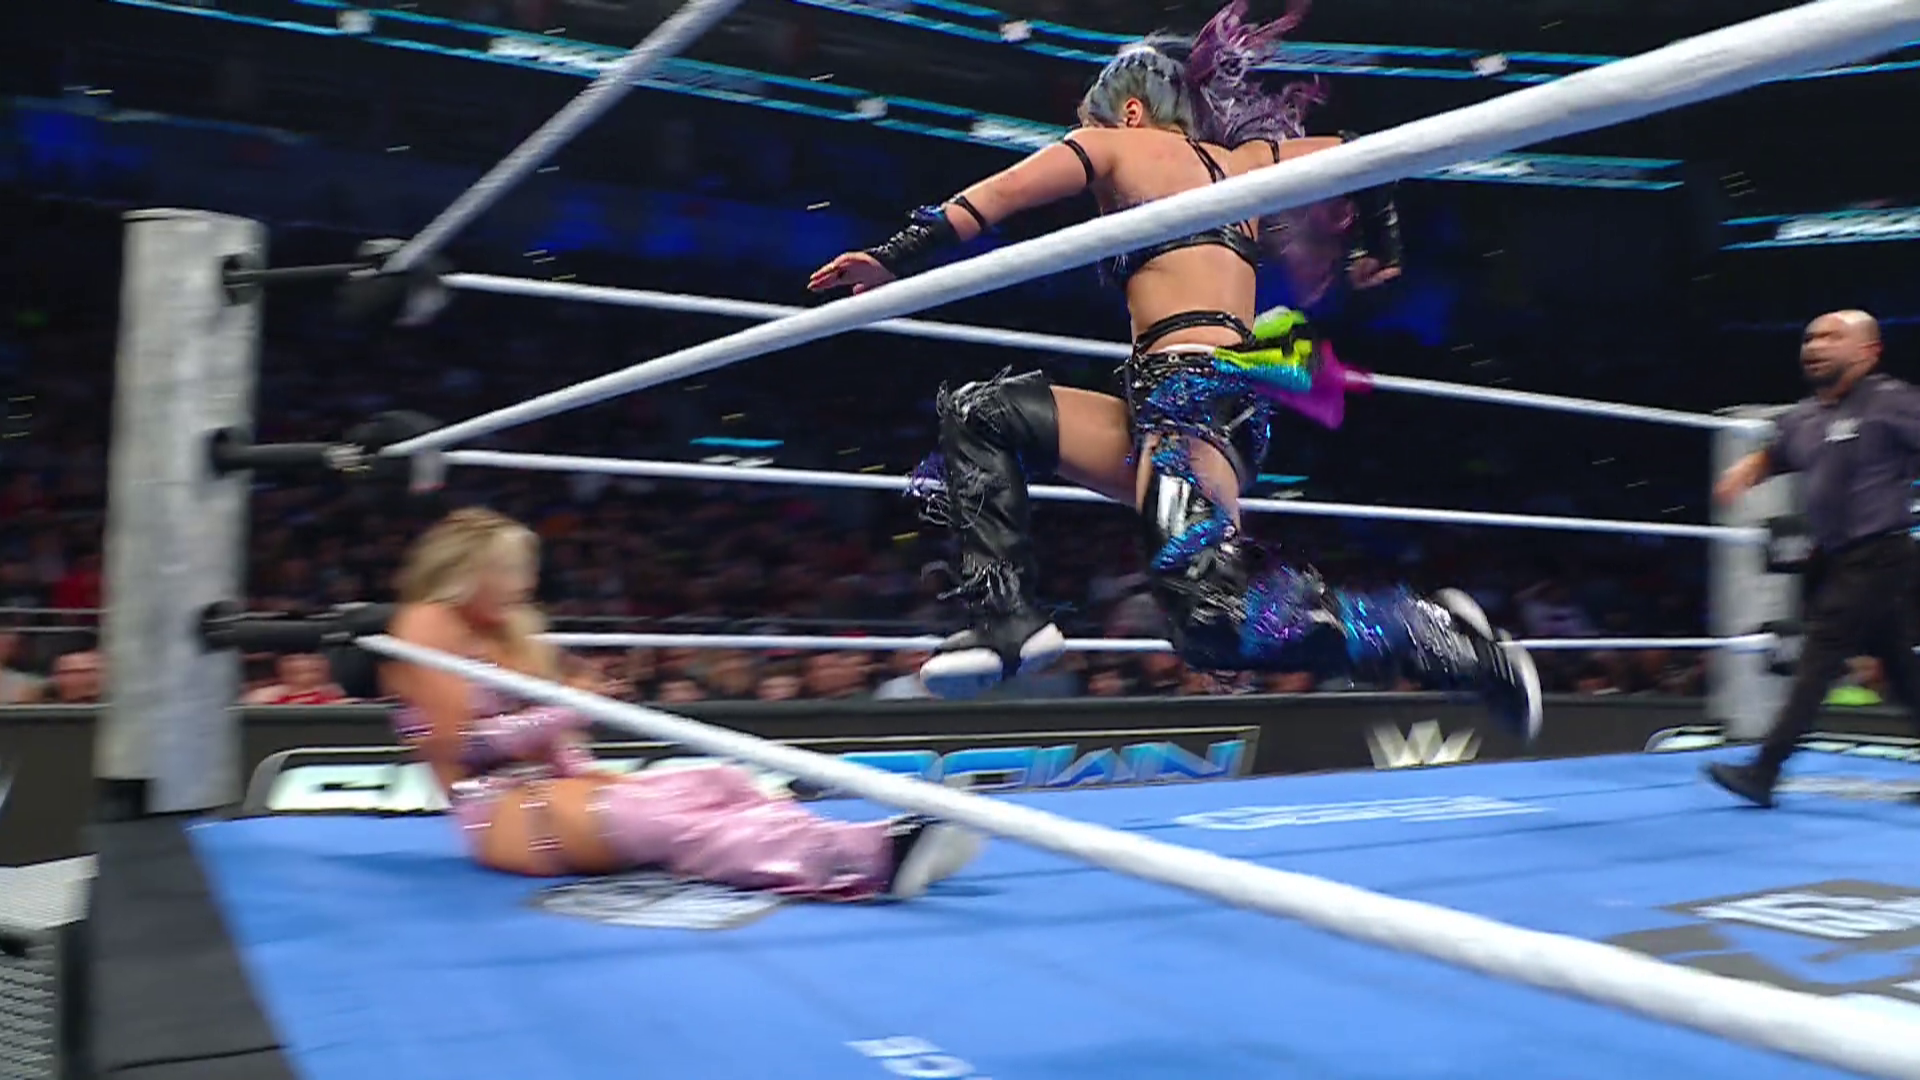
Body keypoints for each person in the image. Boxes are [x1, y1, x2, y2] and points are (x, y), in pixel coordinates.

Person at [807, 0, 1541, 737]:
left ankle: (1431, 633)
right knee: (982, 414)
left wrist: (889, 259)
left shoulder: (1112, 143)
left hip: (1191, 397)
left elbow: (988, 201)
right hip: (1180, 399)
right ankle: (1008, 624)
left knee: (1212, 620)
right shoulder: (1250, 165)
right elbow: (1364, 152)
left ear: (1129, 110)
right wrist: (1377, 247)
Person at [380, 507, 983, 899]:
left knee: (721, 781)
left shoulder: (514, 631)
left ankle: (864, 839)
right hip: (497, 813)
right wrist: (570, 706)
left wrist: (582, 765)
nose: (524, 584)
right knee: (667, 823)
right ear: (469, 572)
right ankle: (872, 856)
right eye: (509, 570)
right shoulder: (427, 624)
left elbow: (556, 737)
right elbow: (461, 746)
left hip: (551, 790)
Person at [1706, 310, 1920, 806]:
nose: (1815, 346)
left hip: (1881, 553)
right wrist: (1746, 470)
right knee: (1901, 668)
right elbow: (1778, 452)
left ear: (1868, 352)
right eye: (1810, 337)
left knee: (1820, 652)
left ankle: (1764, 770)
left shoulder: (1893, 401)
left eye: (1831, 337)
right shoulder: (1803, 416)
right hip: (1839, 557)